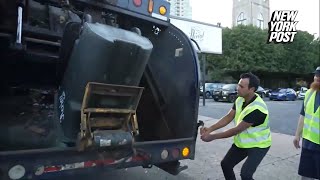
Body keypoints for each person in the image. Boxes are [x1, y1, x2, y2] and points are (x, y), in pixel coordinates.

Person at [200, 72, 271, 180]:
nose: (238, 88)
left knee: (246, 174)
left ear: (252, 89)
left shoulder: (258, 109)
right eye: (238, 84)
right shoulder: (240, 99)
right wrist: (210, 129)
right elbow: (229, 117)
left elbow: (236, 130)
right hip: (243, 143)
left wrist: (212, 136)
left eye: (241, 86)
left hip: (259, 145)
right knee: (226, 165)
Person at [293, 66, 320, 180]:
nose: (317, 77)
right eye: (316, 75)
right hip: (308, 143)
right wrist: (297, 135)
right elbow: (303, 115)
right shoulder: (309, 93)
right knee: (306, 176)